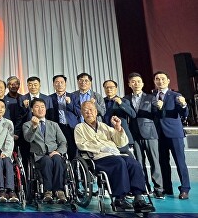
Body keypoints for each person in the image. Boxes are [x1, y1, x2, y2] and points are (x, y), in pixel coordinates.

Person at [75, 100, 154, 211]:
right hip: (98, 157)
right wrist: (100, 148)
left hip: (114, 154)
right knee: (119, 162)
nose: (89, 113)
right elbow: (81, 144)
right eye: (85, 111)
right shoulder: (79, 128)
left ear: (96, 112)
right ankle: (119, 198)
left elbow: (121, 143)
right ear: (82, 113)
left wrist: (118, 128)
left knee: (133, 163)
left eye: (91, 110)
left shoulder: (104, 126)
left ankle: (138, 197)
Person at [124, 72, 163, 199]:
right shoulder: (126, 99)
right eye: (133, 81)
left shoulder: (151, 97)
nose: (136, 84)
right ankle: (144, 187)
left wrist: (160, 108)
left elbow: (156, 114)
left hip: (150, 133)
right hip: (134, 134)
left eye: (138, 81)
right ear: (129, 84)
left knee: (154, 162)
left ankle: (159, 188)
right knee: (139, 163)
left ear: (143, 84)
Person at [153, 71, 190, 199]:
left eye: (163, 79)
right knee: (163, 163)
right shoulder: (152, 96)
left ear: (168, 80)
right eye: (157, 79)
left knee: (180, 162)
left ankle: (185, 189)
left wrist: (184, 104)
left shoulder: (176, 95)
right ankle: (167, 188)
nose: (160, 81)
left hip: (174, 134)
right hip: (158, 134)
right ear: (154, 81)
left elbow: (184, 113)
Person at [23, 98, 68, 204]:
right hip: (39, 155)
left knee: (57, 159)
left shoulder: (54, 124)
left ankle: (59, 190)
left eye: (42, 107)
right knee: (47, 160)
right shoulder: (27, 125)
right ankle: (47, 191)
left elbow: (63, 142)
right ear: (32, 110)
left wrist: (59, 152)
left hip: (54, 153)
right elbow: (28, 138)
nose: (40, 109)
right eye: (37, 107)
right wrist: (34, 127)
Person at [48, 75, 80, 160]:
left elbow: (79, 112)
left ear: (65, 84)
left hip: (71, 126)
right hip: (57, 126)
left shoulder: (73, 96)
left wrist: (69, 103)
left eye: (62, 82)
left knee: (73, 148)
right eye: (57, 82)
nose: (59, 84)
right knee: (60, 148)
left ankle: (74, 166)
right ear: (53, 84)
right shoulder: (50, 98)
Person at [102, 80, 136, 154]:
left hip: (121, 135)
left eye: (111, 87)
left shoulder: (124, 101)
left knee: (126, 158)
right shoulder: (102, 101)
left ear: (116, 89)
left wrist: (121, 104)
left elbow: (133, 114)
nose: (109, 89)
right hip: (106, 136)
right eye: (106, 87)